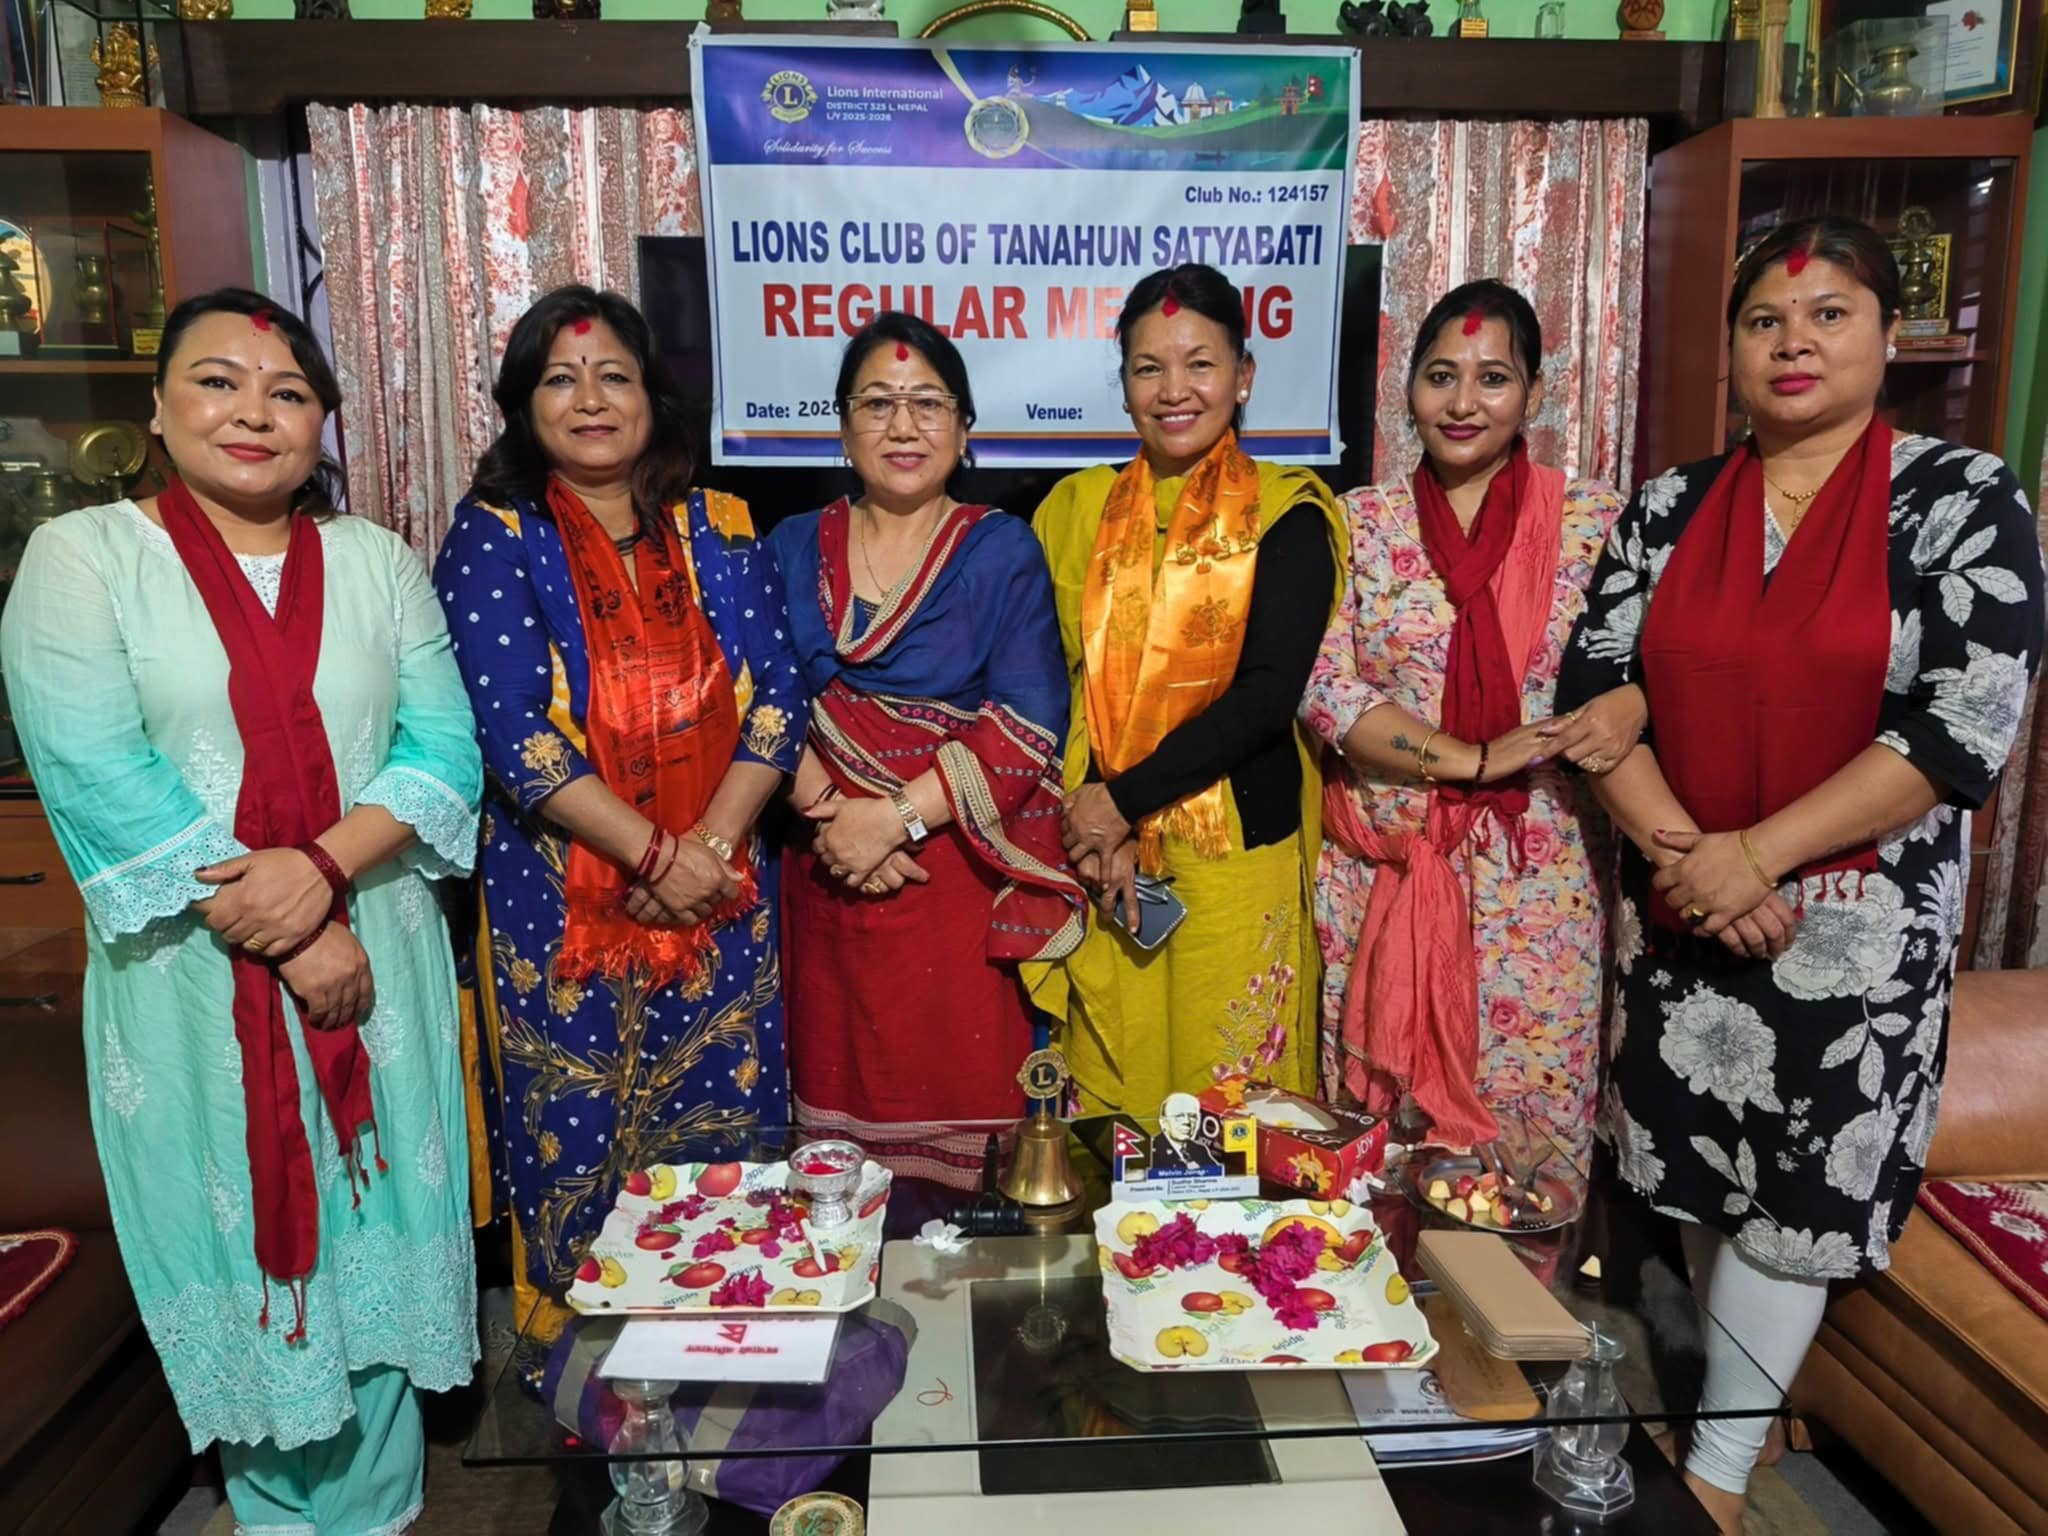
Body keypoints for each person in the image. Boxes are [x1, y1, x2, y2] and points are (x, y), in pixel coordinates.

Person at [1555, 216, 2044, 1532]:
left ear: (1889, 337)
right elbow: (1595, 691)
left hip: (1853, 929)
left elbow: (1958, 729)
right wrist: (1689, 858)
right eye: (1765, 320)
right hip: (1683, 905)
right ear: (1728, 348)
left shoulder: (1960, 502)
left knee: (1795, 1203)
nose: (1794, 342)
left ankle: (1713, 1481)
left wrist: (1755, 857)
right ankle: (1734, 1408)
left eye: (1829, 315)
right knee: (1701, 1174)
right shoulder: (1668, 507)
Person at [0, 288, 482, 1535]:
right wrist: (296, 927)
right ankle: (276, 1517)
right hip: (194, 976)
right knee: (239, 1240)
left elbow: (443, 750)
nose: (253, 412)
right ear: (158, 408)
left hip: (378, 962)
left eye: (288, 392)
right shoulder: (85, 558)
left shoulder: (375, 561)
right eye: (217, 382)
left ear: (323, 423)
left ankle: (381, 1511)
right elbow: (98, 772)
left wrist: (319, 871)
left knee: (380, 1226)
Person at [435, 285, 805, 1342]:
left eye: (613, 376)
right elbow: (510, 729)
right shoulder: (494, 536)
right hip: (561, 905)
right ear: (524, 404)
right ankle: (587, 1380)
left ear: (653, 398)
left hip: (722, 893)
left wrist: (709, 848)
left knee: (724, 1127)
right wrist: (654, 855)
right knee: (578, 1128)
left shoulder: (717, 526)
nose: (590, 399)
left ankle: (729, 1357)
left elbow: (779, 693)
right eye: (561, 378)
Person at [1301, 279, 1640, 1163]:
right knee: (1381, 1138)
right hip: (1386, 869)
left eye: (1493, 378)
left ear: (1535, 393)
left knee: (1526, 1143)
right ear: (1407, 387)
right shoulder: (1358, 523)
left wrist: (1631, 702)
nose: (1462, 403)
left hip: (1540, 879)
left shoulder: (1595, 522)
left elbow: (1647, 666)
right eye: (1440, 375)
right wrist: (1470, 758)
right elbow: (1323, 686)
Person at [767, 313, 1083, 1186]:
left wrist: (893, 820)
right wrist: (833, 815)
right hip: (827, 872)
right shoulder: (790, 546)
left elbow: (1026, 723)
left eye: (927, 404)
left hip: (952, 875)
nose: (902, 426)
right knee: (835, 1155)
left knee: (965, 1154)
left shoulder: (1000, 550)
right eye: (877, 403)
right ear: (842, 429)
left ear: (964, 428)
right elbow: (754, 691)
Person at [1029, 263, 1347, 1115]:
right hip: (1101, 856)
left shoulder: (1288, 511)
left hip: (1235, 854)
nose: (1174, 390)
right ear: (1124, 383)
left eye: (1200, 364)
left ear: (1243, 376)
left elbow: (1266, 697)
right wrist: (1092, 817)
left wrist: (1120, 801)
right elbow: (1056, 683)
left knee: (1228, 1110)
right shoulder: (1074, 509)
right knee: (1118, 1096)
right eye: (1149, 367)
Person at [1148, 1092, 1223, 1171]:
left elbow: (1217, 1174)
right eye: (1179, 1116)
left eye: (1192, 1116)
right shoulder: (1151, 1152)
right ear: (1163, 1123)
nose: (1187, 1122)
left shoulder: (1200, 1150)